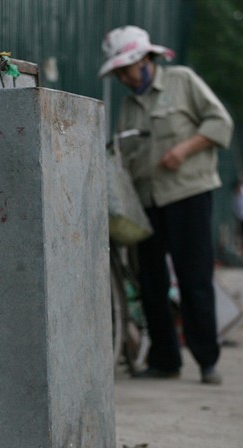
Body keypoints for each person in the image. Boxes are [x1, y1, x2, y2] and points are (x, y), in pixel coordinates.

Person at [99, 26, 233, 385]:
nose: (124, 78)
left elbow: (221, 122)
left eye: (127, 69)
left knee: (194, 278)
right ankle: (165, 359)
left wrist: (184, 149)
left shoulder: (182, 81)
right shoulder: (128, 106)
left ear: (145, 60)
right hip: (146, 204)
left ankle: (207, 361)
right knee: (151, 283)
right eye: (119, 73)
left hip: (187, 194)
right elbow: (122, 152)